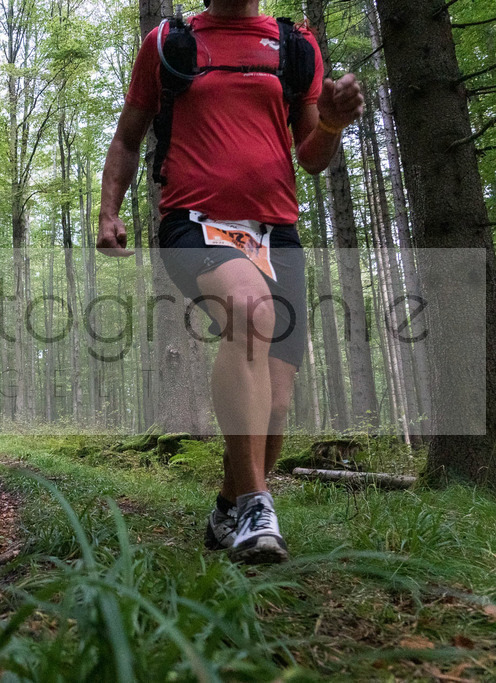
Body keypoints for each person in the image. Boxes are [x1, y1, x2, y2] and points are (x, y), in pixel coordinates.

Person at [97, 0, 362, 563]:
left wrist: (332, 123)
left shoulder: (295, 47)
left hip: (276, 233)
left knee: (276, 405)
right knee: (249, 308)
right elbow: (127, 139)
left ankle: (226, 509)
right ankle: (256, 507)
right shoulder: (169, 43)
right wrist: (108, 211)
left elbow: (311, 157)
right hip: (194, 223)